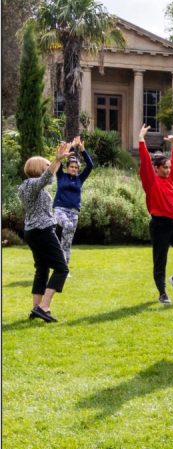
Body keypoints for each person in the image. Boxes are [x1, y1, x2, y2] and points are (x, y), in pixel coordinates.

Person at [18, 141, 72, 322]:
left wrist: (57, 160)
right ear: (38, 168)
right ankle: (44, 307)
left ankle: (36, 308)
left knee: (42, 269)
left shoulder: (27, 186)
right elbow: (47, 178)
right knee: (62, 269)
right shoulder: (32, 184)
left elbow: (47, 178)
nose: (51, 168)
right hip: (42, 231)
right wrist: (57, 159)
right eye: (47, 165)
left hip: (32, 231)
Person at [138, 124, 173, 304]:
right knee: (160, 261)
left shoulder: (172, 178)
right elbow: (144, 162)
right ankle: (162, 293)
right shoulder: (151, 181)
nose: (168, 170)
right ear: (156, 168)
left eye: (168, 167)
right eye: (164, 167)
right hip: (159, 226)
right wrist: (141, 140)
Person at [53, 135, 94, 267]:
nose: (74, 169)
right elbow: (57, 162)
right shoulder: (61, 176)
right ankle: (57, 249)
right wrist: (69, 148)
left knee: (67, 243)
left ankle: (63, 268)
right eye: (72, 167)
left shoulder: (79, 179)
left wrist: (82, 150)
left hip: (74, 212)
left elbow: (90, 165)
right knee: (68, 226)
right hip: (59, 209)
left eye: (76, 168)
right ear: (67, 167)